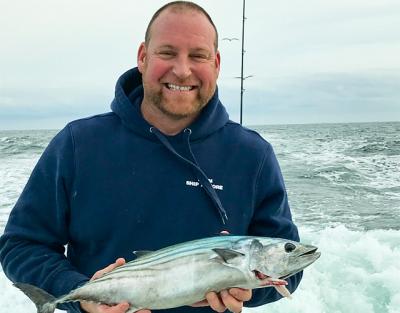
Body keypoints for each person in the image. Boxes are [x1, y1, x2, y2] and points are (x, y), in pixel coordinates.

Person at [0, 1, 302, 313]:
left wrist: (248, 291)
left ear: (217, 62)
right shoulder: (78, 143)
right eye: (167, 53)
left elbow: (290, 268)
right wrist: (78, 295)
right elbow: (21, 246)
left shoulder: (252, 155)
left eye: (198, 55)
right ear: (143, 57)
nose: (182, 70)